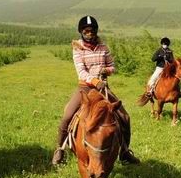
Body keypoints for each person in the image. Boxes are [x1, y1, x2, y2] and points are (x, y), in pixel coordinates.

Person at [51, 15, 140, 166]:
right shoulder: (77, 48)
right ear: (81, 32)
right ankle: (59, 149)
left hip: (103, 88)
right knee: (67, 115)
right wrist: (95, 81)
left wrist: (107, 70)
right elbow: (81, 72)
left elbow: (112, 65)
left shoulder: (104, 47)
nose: (89, 34)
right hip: (85, 88)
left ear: (96, 31)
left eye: (92, 31)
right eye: (86, 31)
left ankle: (124, 151)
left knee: (125, 117)